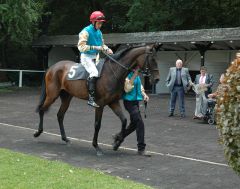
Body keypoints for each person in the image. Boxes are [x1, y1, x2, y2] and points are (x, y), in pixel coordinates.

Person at [77, 11, 113, 108]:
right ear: (93, 22)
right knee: (94, 73)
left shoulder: (99, 32)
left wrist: (107, 49)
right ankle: (91, 98)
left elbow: (102, 45)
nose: (100, 25)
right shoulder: (85, 32)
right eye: (99, 23)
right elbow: (81, 47)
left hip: (96, 57)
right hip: (86, 57)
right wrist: (95, 48)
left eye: (102, 23)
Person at [123, 68, 150, 156]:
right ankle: (141, 149)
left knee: (134, 125)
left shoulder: (137, 75)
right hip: (129, 102)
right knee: (140, 123)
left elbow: (140, 87)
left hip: (136, 102)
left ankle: (119, 138)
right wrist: (134, 75)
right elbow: (127, 89)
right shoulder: (126, 75)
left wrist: (144, 95)